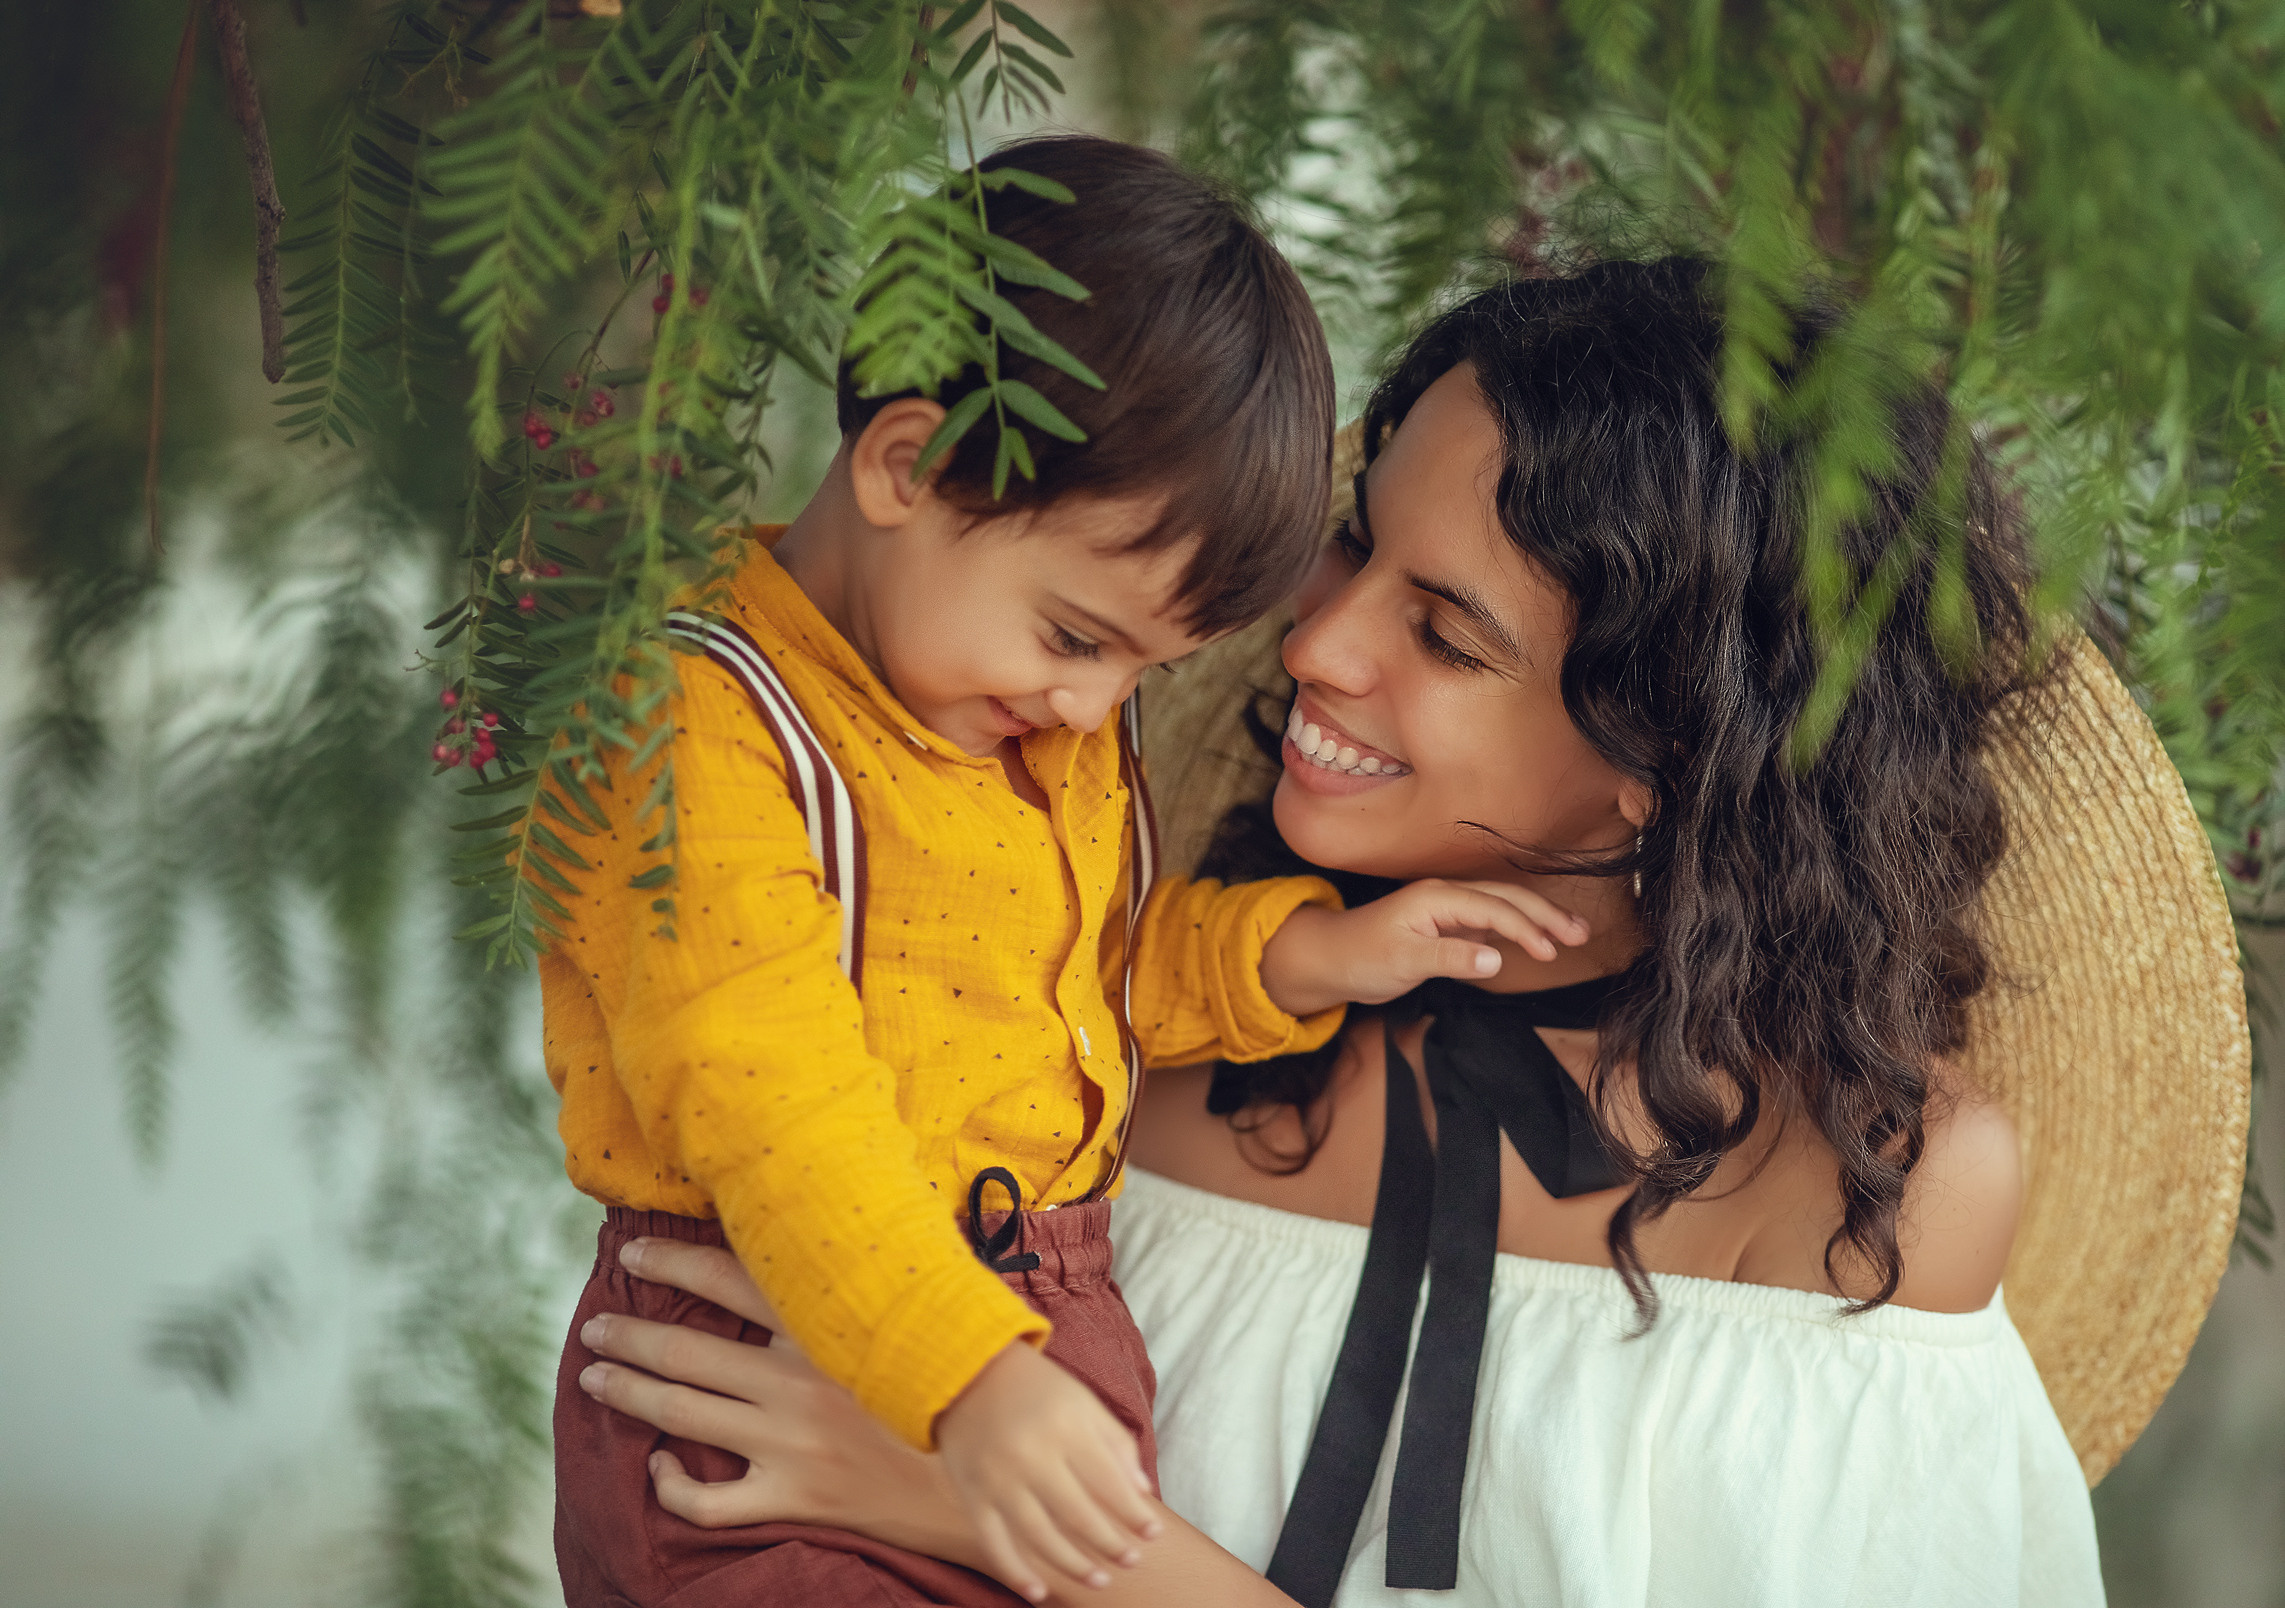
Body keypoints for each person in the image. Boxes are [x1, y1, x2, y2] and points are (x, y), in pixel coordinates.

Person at [571, 259, 2242, 1604]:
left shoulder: (1856, 1193)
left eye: (1442, 631)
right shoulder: (1089, 1033)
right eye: (1352, 543)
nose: (1316, 648)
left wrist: (1011, 1522)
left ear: (1663, 764)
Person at [544, 135, 1596, 1608]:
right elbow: (765, 1096)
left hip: (1038, 1338)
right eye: (1075, 639)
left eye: (1143, 669)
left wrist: (1304, 960)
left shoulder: (1005, 712)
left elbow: (1056, 988)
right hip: (786, 1354)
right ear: (908, 465)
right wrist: (969, 1379)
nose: (1097, 712)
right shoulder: (690, 723)